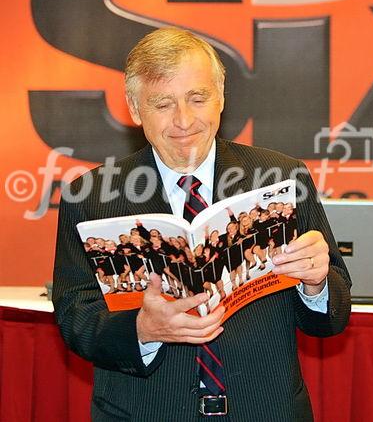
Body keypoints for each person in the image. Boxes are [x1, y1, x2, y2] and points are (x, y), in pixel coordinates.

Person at [53, 27, 351, 421]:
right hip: (143, 412)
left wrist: (316, 284)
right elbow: (76, 316)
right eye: (162, 104)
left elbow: (332, 316)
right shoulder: (90, 195)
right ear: (134, 108)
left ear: (221, 97)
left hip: (266, 410)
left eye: (198, 98)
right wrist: (143, 329)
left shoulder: (281, 178)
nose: (183, 120)